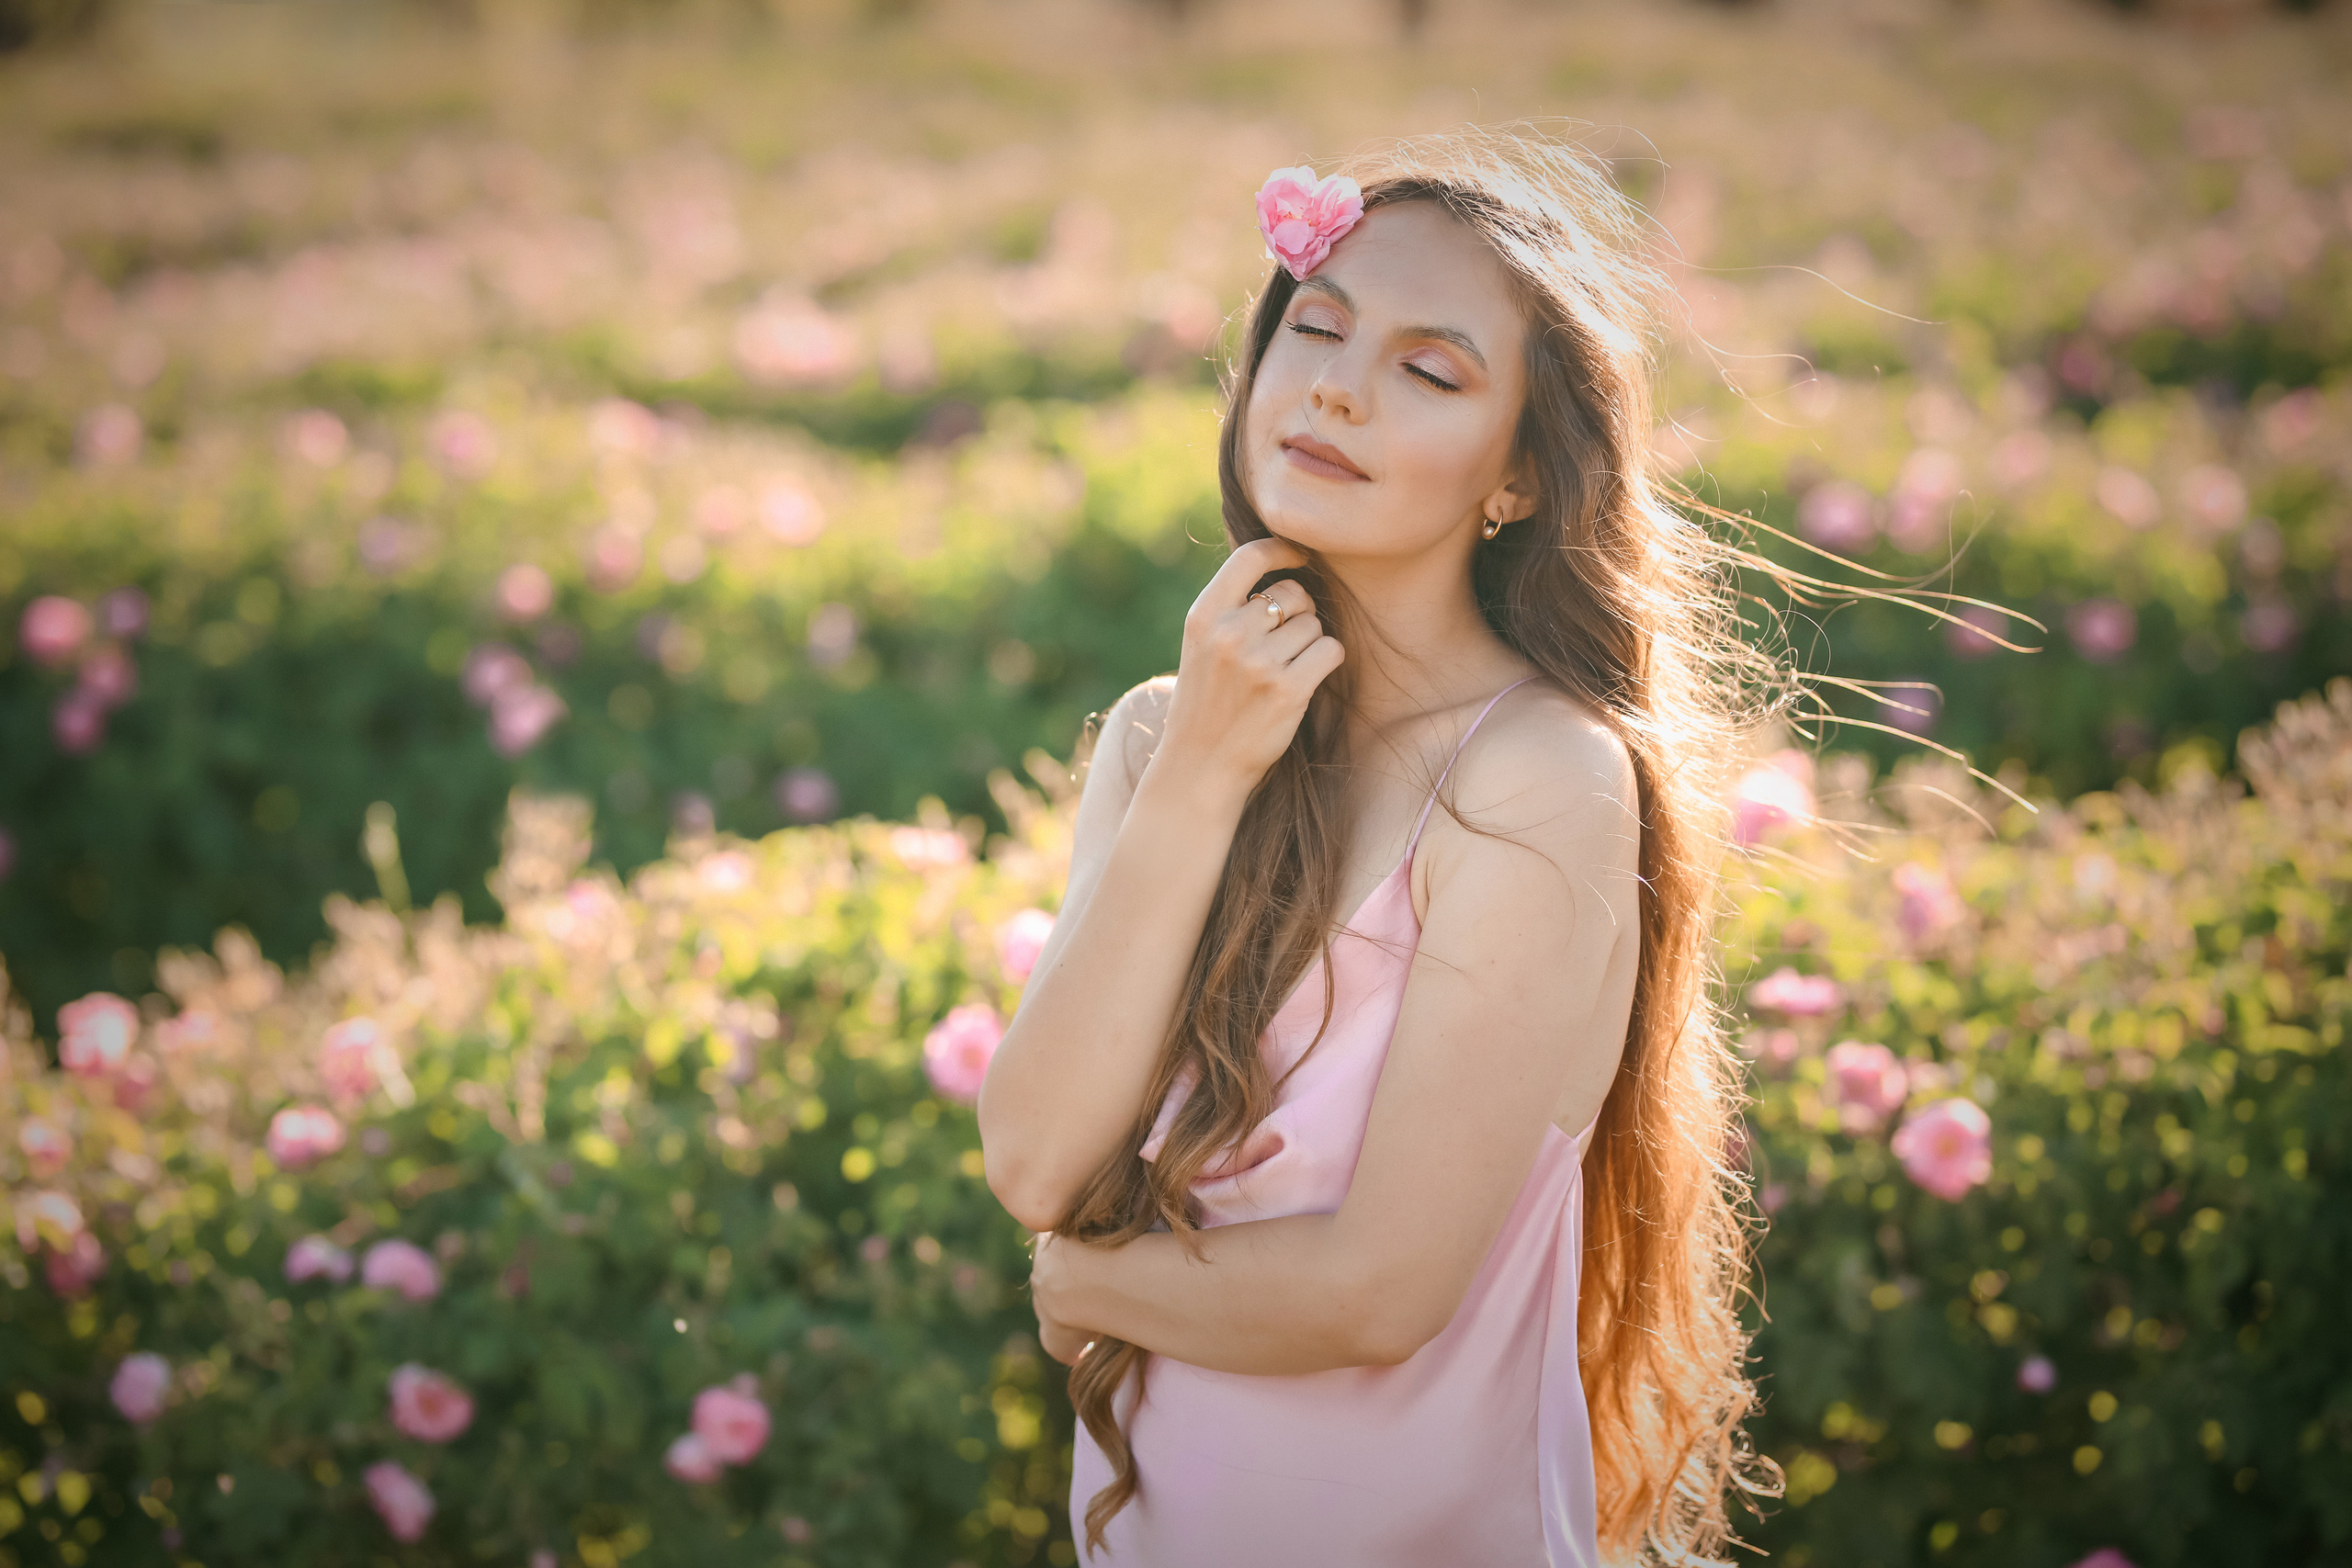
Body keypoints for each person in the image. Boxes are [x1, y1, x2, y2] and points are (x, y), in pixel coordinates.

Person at [976, 126, 1792, 1567]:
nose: (1338, 388)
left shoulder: (1540, 778)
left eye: (1428, 370)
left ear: (1521, 479)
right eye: (1318, 329)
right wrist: (1205, 776)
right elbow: (1037, 1157)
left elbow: (1378, 1290)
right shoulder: (1165, 739)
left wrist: (1086, 1289)